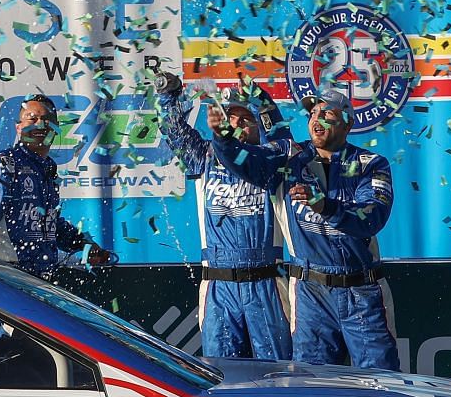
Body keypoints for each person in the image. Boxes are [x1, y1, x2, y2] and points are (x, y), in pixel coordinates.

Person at [157, 72, 291, 360]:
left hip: (266, 282)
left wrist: (261, 98)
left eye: (246, 119)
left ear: (259, 125)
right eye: (232, 118)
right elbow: (173, 129)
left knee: (279, 373)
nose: (238, 124)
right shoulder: (204, 157)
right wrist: (170, 95)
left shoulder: (272, 158)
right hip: (219, 285)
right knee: (221, 372)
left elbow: (281, 133)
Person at [279, 90, 400, 370]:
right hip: (311, 292)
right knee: (311, 385)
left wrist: (326, 206)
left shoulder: (372, 164)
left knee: (380, 383)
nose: (316, 120)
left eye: (327, 114)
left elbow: (372, 218)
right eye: (312, 114)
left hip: (362, 291)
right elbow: (249, 159)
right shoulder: (290, 161)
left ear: (347, 124)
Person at [0, 94, 114, 281]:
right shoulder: (3, 166)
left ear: (56, 129)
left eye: (47, 120)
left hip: (43, 282)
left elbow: (50, 223)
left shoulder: (48, 168)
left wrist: (83, 244)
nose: (40, 124)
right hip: (10, 281)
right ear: (18, 127)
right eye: (32, 118)